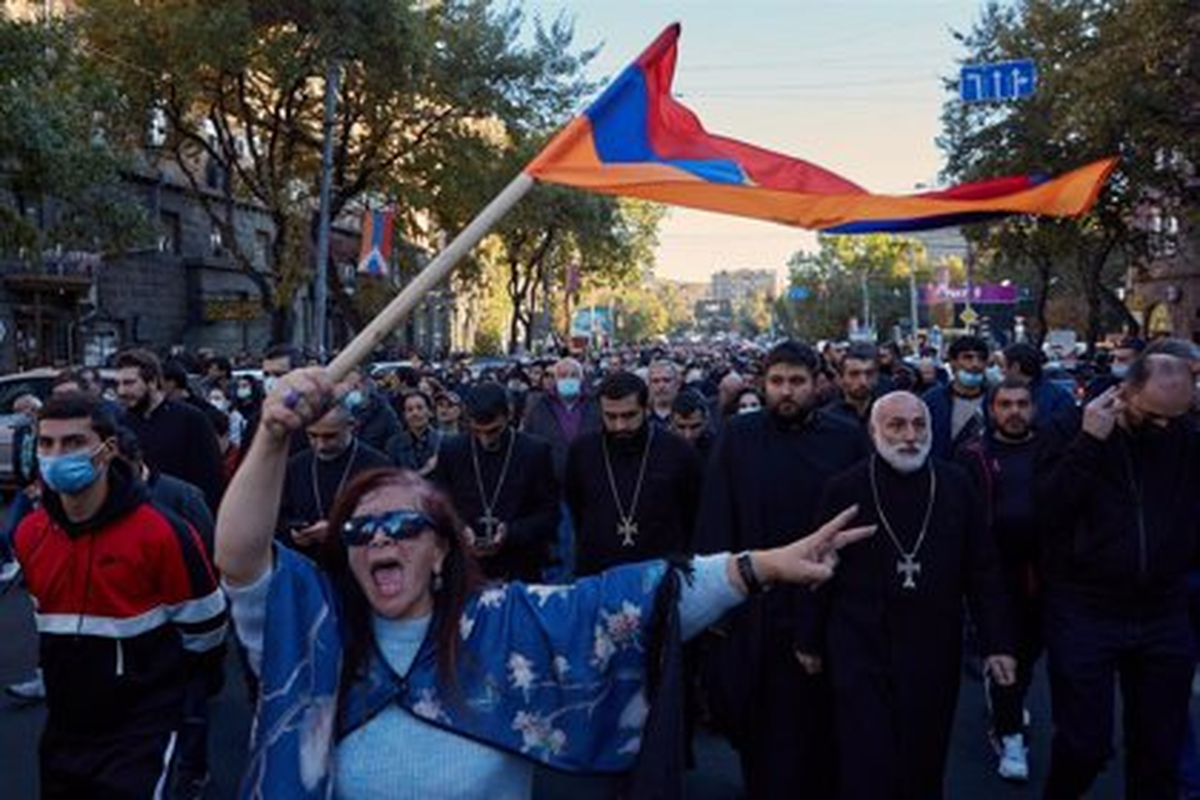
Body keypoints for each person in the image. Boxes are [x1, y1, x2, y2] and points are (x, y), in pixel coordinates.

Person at [213, 366, 875, 800]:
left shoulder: (506, 620)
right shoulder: (318, 624)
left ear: (443, 549)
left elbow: (637, 598)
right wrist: (272, 436)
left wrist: (763, 566)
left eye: (402, 527)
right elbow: (240, 558)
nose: (380, 539)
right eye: (359, 533)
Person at [11, 391, 227, 799]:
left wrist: (167, 696)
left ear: (107, 450)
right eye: (46, 443)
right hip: (65, 726)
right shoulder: (30, 534)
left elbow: (207, 632)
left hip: (141, 729)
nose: (57, 455)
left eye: (74, 443)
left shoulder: (163, 532)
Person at [812, 391, 1016, 800]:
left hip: (932, 645)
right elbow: (816, 568)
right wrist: (808, 637)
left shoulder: (956, 484)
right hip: (859, 644)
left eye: (919, 425)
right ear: (874, 432)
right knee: (866, 759)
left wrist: (997, 643)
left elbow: (983, 568)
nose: (910, 435)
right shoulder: (843, 488)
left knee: (924, 756)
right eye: (897, 425)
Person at [694, 340, 869, 800]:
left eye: (797, 382)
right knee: (761, 734)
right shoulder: (738, 436)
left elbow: (858, 523)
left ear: (817, 384)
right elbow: (717, 518)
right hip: (756, 608)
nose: (786, 392)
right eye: (777, 382)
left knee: (823, 732)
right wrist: (717, 602)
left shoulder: (846, 437)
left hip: (825, 607)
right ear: (762, 384)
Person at [1036, 341, 1200, 799]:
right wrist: (1089, 442)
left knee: (1159, 749)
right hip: (1085, 608)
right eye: (1153, 416)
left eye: (1174, 418)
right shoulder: (1069, 429)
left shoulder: (1183, 433)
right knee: (1085, 744)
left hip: (1163, 608)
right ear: (1124, 394)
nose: (1164, 427)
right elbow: (1048, 511)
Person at [956, 379, 1046, 782]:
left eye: (1022, 403)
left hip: (1046, 576)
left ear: (1034, 408)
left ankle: (1008, 699)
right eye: (1005, 404)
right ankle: (1011, 736)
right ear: (992, 410)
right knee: (1003, 650)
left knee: (1026, 655)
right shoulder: (973, 455)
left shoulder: (1051, 449)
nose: (1014, 411)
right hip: (994, 575)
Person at [566, 371, 703, 577]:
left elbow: (692, 514)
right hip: (599, 572)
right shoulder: (582, 451)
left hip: (661, 571)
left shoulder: (678, 451)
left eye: (629, 415)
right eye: (611, 417)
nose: (620, 425)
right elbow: (577, 510)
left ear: (646, 409)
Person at [432, 382, 559, 583]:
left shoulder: (535, 451)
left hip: (520, 568)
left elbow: (549, 515)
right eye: (477, 431)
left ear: (509, 415)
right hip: (466, 569)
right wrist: (460, 528)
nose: (485, 439)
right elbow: (438, 506)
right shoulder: (451, 451)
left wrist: (511, 532)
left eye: (493, 431)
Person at [278, 402, 391, 564]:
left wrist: (339, 530)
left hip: (358, 566)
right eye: (312, 436)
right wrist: (293, 532)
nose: (320, 445)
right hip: (308, 565)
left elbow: (387, 519)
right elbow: (281, 516)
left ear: (351, 426)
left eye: (329, 436)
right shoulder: (296, 465)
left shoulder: (378, 466)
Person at [115, 348, 226, 511]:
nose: (121, 391)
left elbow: (211, 481)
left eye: (129, 383)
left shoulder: (191, 419)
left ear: (152, 382)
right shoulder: (121, 423)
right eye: (118, 384)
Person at [923, 335, 990, 459]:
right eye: (967, 357)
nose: (975, 364)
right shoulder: (932, 400)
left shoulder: (997, 400)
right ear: (953, 363)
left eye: (981, 358)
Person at [1002, 342, 1078, 430]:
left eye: (1003, 366)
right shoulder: (1061, 395)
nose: (1002, 372)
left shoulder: (1050, 397)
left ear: (1015, 367)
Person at [342, 366, 403, 453]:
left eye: (355, 386)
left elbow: (396, 443)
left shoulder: (384, 412)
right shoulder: (342, 413)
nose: (351, 390)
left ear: (365, 385)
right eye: (348, 387)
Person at [827, 342, 881, 430]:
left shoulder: (887, 412)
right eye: (854, 374)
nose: (863, 381)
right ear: (840, 379)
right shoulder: (828, 418)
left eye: (869, 374)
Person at [386, 391, 442, 476]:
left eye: (420, 408)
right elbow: (394, 480)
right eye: (410, 410)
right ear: (404, 415)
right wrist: (426, 470)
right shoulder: (393, 445)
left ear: (430, 412)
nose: (415, 413)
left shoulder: (444, 442)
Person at [669, 389, 714, 459]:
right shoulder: (660, 448)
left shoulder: (719, 449)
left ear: (706, 421)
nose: (688, 435)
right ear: (671, 422)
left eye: (695, 427)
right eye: (681, 427)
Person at [646, 359, 682, 430]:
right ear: (649, 385)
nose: (661, 386)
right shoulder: (642, 415)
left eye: (667, 380)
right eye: (655, 381)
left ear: (677, 384)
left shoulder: (690, 412)